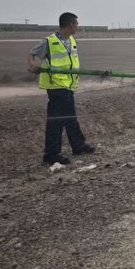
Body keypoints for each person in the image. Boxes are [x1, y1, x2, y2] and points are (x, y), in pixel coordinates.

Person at [26, 12, 95, 165]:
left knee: (70, 116)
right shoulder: (49, 41)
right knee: (56, 120)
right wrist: (32, 65)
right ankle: (51, 154)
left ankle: (78, 145)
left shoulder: (71, 40)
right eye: (76, 24)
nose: (77, 26)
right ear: (70, 24)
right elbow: (31, 55)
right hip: (56, 85)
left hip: (68, 85)